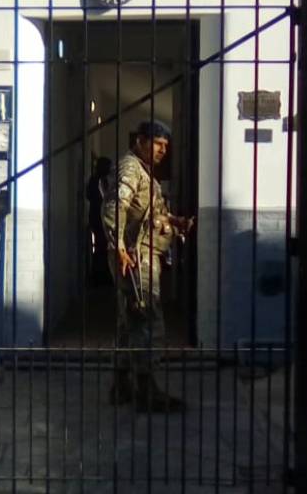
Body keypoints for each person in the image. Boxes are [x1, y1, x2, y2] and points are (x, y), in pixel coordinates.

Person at [101, 121, 194, 413]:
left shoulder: (142, 171)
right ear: (140, 141)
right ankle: (146, 390)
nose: (162, 151)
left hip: (136, 254)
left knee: (128, 322)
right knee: (147, 319)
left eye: (166, 147)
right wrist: (117, 246)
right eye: (157, 144)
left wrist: (174, 221)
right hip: (135, 257)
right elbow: (115, 205)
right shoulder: (131, 167)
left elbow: (146, 213)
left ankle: (122, 385)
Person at [86, 156, 112, 286]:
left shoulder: (100, 180)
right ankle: (100, 276)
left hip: (100, 218)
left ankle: (102, 275)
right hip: (98, 218)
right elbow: (94, 197)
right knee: (101, 247)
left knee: (102, 247)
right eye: (107, 166)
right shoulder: (96, 180)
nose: (109, 169)